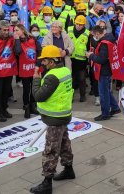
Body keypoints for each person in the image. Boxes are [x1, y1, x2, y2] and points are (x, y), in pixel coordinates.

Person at [29, 45, 75, 194]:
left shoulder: (52, 76)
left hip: (55, 117)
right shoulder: (65, 71)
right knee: (64, 143)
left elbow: (38, 96)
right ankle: (68, 170)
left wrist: (36, 80)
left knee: (51, 149)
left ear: (52, 61)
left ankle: (47, 182)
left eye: (45, 60)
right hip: (63, 114)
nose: (42, 63)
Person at [87, 26, 121, 121]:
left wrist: (91, 55)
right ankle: (115, 108)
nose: (94, 37)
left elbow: (102, 60)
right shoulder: (109, 39)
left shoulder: (104, 43)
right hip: (108, 69)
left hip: (104, 71)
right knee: (107, 91)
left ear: (97, 33)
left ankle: (105, 114)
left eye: (94, 35)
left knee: (103, 93)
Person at [67, 16, 89, 102]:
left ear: (84, 25)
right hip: (70, 59)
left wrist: (88, 62)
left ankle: (82, 96)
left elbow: (88, 47)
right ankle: (70, 97)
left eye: (81, 24)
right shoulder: (68, 30)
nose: (78, 26)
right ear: (75, 23)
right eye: (77, 24)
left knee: (82, 79)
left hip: (81, 61)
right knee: (70, 79)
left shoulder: (87, 33)